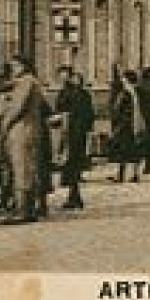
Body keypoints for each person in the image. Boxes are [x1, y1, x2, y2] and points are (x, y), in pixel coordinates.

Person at [0, 59, 50, 222]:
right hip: (28, 130)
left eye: (15, 66)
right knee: (27, 169)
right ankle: (29, 209)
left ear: (23, 66)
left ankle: (23, 211)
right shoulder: (31, 82)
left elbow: (17, 108)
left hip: (21, 131)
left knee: (22, 170)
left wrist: (4, 125)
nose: (12, 70)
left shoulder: (26, 82)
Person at [54, 68, 95, 210]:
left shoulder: (74, 94)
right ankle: (75, 196)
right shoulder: (74, 93)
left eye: (65, 77)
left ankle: (74, 197)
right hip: (73, 132)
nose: (62, 79)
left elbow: (83, 114)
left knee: (71, 164)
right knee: (72, 166)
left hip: (73, 133)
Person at [109, 69, 145, 184]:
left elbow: (120, 110)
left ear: (127, 80)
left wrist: (118, 125)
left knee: (123, 151)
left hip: (125, 125)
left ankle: (121, 175)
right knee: (134, 151)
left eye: (124, 78)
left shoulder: (125, 93)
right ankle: (134, 174)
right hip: (134, 124)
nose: (122, 80)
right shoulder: (136, 92)